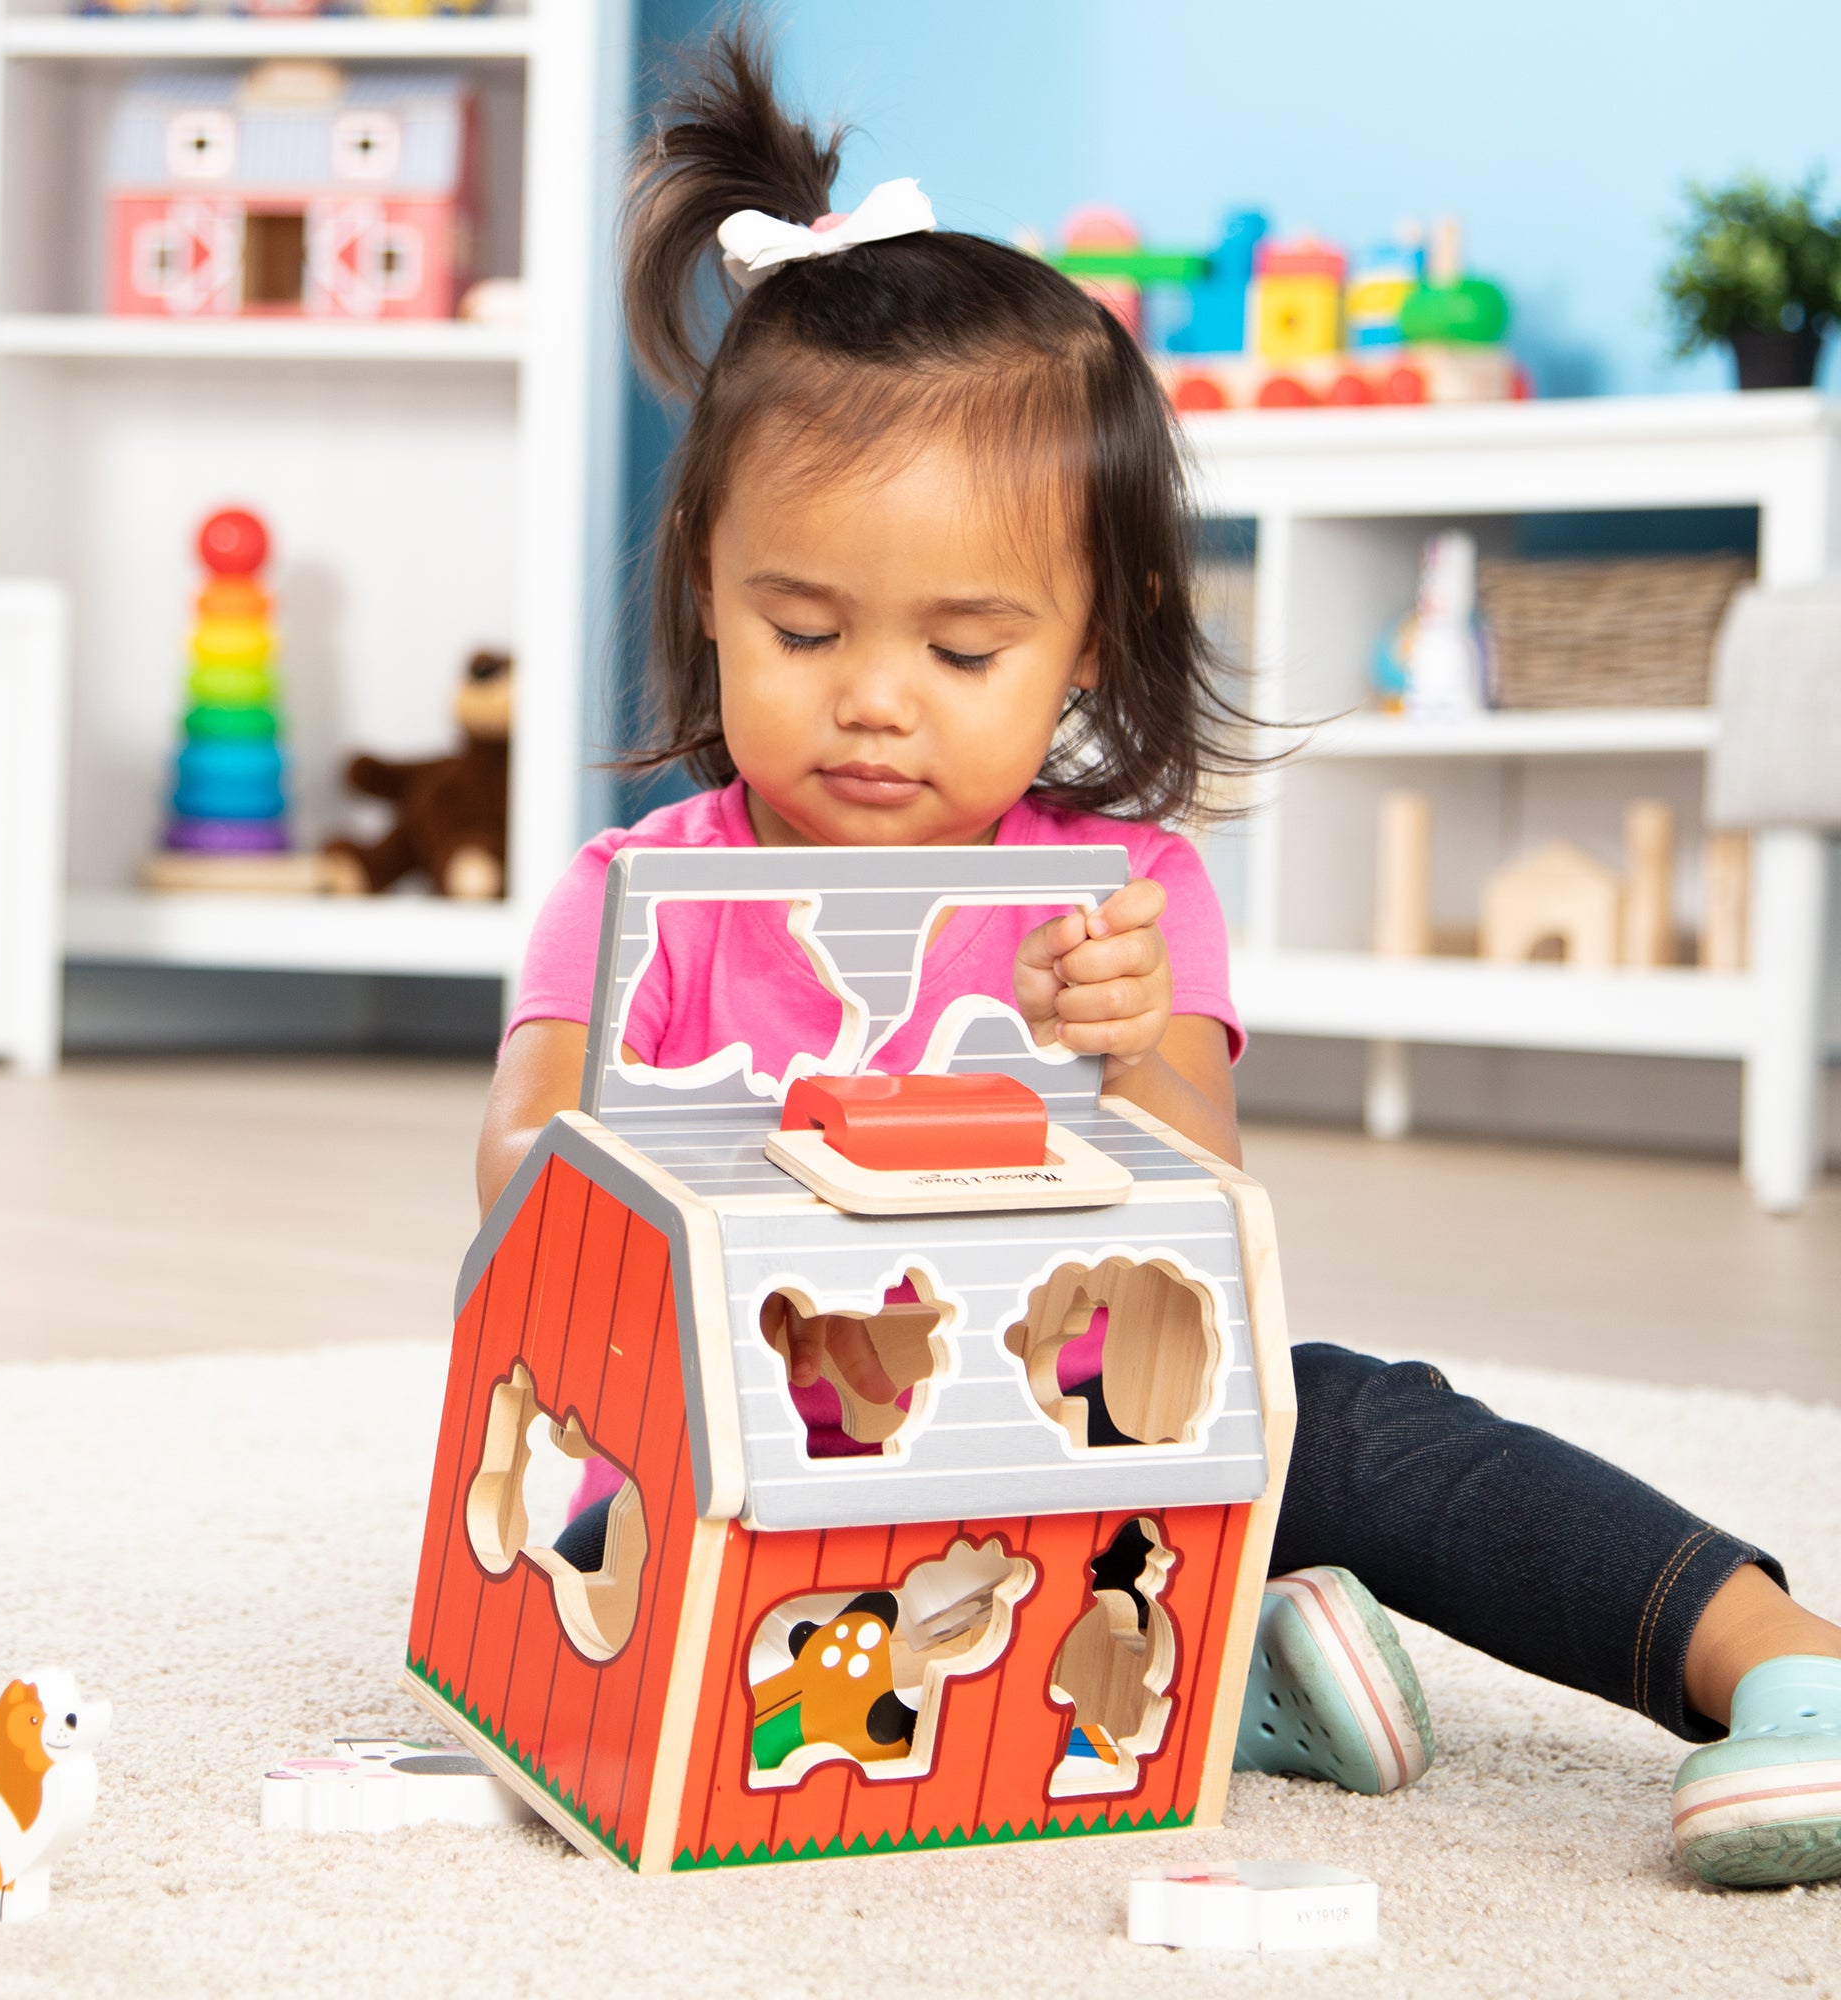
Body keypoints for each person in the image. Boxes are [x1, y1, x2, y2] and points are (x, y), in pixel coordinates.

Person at [474, 20, 1841, 1891]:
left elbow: (1200, 1202)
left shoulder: (1116, 894)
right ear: (704, 582)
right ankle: (1207, 1673)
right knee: (580, 1517)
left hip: (1085, 1420)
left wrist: (1139, 1058)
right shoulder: (630, 894)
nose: (877, 705)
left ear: (1087, 647)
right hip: (785, 1453)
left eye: (964, 656)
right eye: (801, 628)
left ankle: (1782, 1664)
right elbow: (516, 1221)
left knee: (1350, 1415)